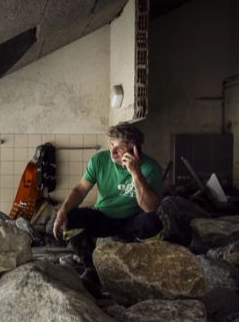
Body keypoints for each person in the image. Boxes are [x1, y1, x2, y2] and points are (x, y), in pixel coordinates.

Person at [52, 123, 164, 293]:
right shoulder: (100, 160)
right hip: (103, 217)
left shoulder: (150, 168)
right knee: (72, 217)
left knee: (152, 221)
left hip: (130, 221)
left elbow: (149, 207)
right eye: (112, 145)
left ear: (134, 148)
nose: (112, 152)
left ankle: (141, 268)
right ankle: (92, 268)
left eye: (119, 148)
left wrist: (135, 173)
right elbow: (81, 189)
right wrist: (62, 211)